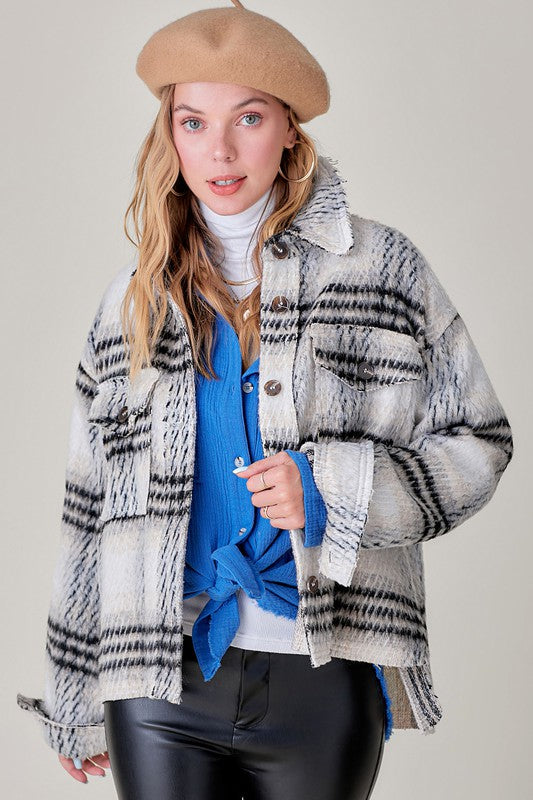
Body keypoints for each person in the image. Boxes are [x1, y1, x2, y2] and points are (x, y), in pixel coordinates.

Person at [16, 3, 514, 799]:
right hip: (159, 679)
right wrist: (71, 693)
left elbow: (479, 439)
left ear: (288, 129)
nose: (218, 150)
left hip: (324, 673)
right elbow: (88, 509)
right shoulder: (128, 305)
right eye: (192, 121)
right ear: (169, 135)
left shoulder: (380, 267)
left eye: (247, 118)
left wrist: (333, 491)